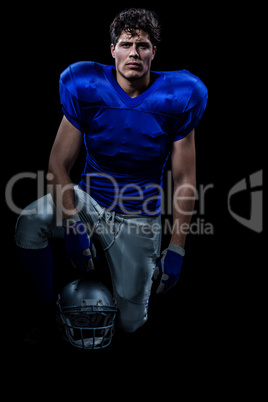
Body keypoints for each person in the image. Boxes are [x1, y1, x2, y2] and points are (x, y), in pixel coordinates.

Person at [15, 8, 208, 339]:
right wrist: (74, 224)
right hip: (89, 201)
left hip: (139, 216)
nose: (134, 53)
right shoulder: (86, 85)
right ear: (112, 50)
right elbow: (58, 166)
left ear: (154, 53)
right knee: (30, 222)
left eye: (143, 45)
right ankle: (42, 314)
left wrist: (177, 247)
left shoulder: (179, 95)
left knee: (132, 323)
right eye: (126, 44)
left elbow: (185, 180)